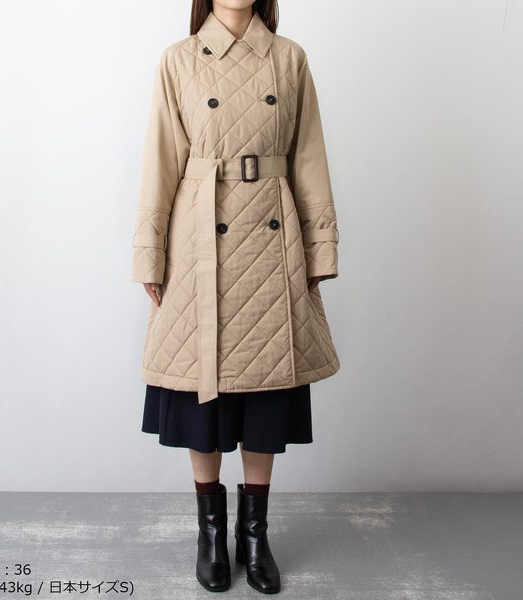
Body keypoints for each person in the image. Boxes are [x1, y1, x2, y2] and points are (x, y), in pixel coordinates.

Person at [130, 0, 340, 593]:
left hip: (272, 237)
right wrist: (150, 253)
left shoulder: (289, 59)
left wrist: (320, 249)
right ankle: (210, 536)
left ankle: (255, 536)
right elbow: (160, 163)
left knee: (265, 392)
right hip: (199, 241)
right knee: (199, 393)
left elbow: (308, 159)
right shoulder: (179, 60)